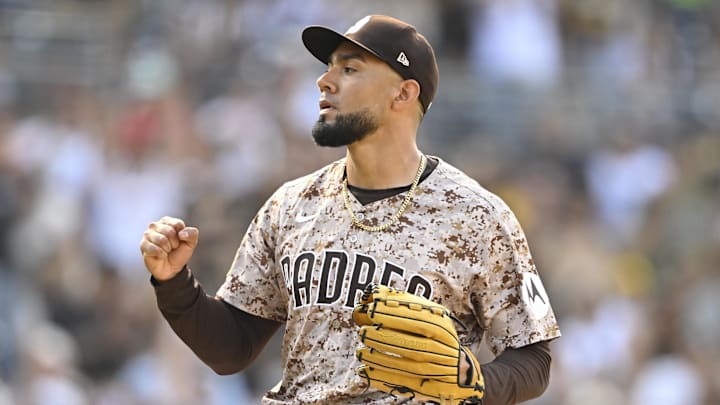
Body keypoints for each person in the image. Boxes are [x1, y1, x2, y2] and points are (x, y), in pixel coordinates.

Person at [140, 14, 561, 405]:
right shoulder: (290, 205)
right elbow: (231, 349)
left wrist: (475, 384)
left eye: (349, 69)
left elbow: (533, 359)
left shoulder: (476, 216)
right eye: (329, 68)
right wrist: (175, 283)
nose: (324, 81)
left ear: (404, 91)